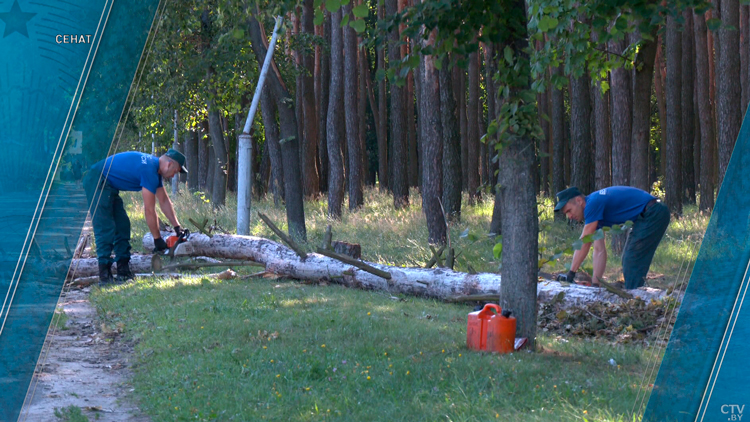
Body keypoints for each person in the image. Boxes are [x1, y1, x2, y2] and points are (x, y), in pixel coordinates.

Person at [83, 149, 187, 284]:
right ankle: (105, 276)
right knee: (105, 227)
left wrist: (177, 227)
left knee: (122, 226)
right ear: (169, 164)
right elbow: (149, 210)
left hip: (107, 185)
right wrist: (157, 239)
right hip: (97, 179)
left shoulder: (154, 168)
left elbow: (164, 201)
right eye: (175, 171)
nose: (173, 176)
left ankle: (123, 271)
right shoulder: (149, 170)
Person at [554, 186, 670, 290]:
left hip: (653, 212)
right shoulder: (595, 213)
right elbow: (599, 250)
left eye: (569, 210)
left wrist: (570, 274)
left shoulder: (592, 204)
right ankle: (636, 294)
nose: (569, 216)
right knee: (629, 258)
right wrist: (595, 285)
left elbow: (585, 241)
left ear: (579, 201)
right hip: (651, 213)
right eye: (566, 214)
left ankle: (636, 299)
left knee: (631, 259)